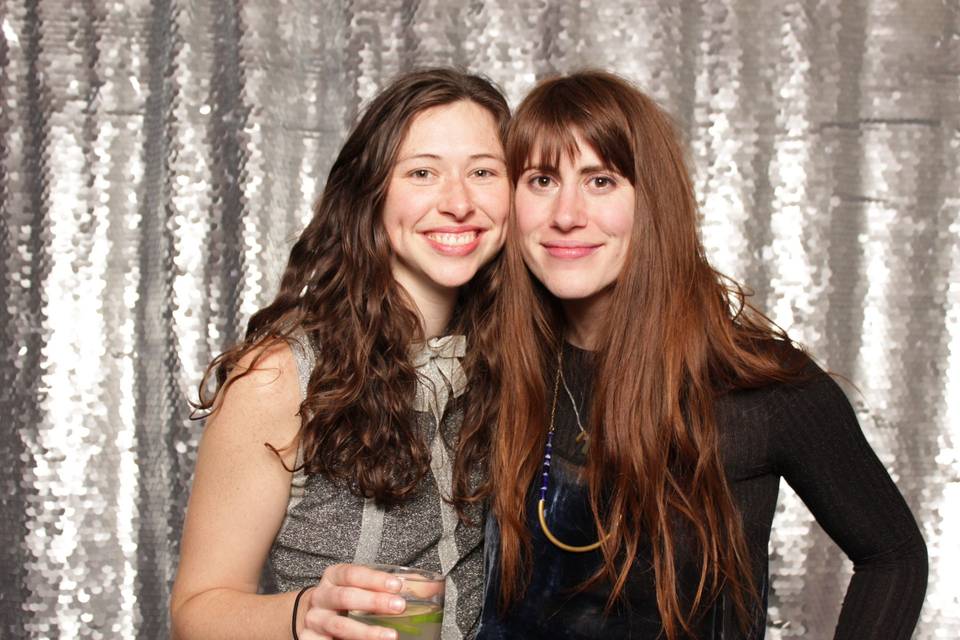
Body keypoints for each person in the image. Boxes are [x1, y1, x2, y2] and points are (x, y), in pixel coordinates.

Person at [477, 70, 927, 639]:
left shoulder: (757, 389)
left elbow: (894, 557)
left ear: (653, 203)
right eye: (541, 180)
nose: (566, 214)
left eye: (601, 181)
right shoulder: (494, 369)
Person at [170, 68, 510, 640]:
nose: (458, 202)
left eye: (483, 172)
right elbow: (196, 611)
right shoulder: (280, 377)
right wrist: (303, 614)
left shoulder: (517, 355)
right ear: (370, 193)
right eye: (422, 172)